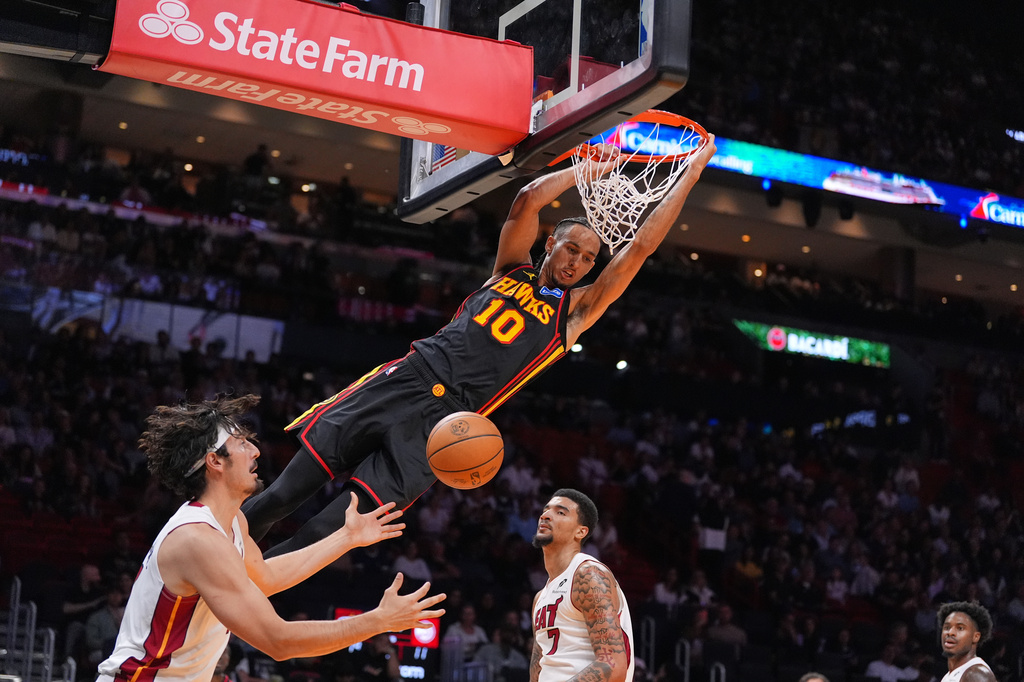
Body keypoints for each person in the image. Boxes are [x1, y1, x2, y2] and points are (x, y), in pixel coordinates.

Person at [242, 137, 717, 556]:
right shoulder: (510, 268)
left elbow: (639, 250)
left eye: (590, 259)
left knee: (336, 526)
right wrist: (590, 170)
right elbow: (528, 198)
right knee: (282, 494)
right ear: (551, 243)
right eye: (572, 249)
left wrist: (691, 174)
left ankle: (247, 591)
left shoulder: (574, 313)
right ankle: (203, 556)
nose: (579, 263)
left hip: (448, 422)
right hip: (408, 377)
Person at [96, 395, 445, 682]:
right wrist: (377, 621)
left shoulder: (231, 524)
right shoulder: (197, 539)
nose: (256, 451)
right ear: (214, 462)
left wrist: (346, 537)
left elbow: (265, 578)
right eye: (242, 443)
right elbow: (278, 641)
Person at [530, 488, 633, 682]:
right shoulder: (540, 597)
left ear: (581, 531)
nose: (545, 515)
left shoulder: (588, 575)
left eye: (560, 512)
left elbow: (613, 665)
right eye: (546, 510)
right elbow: (539, 667)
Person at [937, 601, 996, 682]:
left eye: (960, 628)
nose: (950, 632)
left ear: (976, 637)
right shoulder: (950, 675)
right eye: (947, 627)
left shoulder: (976, 675)